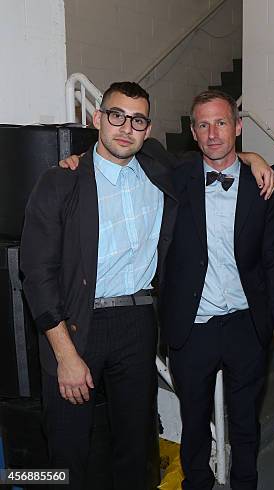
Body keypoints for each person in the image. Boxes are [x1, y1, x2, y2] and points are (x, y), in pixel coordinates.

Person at [21, 81, 178, 489]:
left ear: (148, 130)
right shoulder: (59, 182)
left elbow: (214, 158)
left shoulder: (158, 169)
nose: (126, 127)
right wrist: (66, 356)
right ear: (96, 119)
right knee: (69, 448)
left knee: (134, 445)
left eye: (137, 120)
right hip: (76, 325)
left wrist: (250, 156)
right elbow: (36, 274)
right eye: (116, 115)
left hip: (140, 321)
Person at [160, 89, 274, 490]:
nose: (213, 133)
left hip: (246, 325)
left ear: (238, 127)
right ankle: (196, 483)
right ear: (193, 133)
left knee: (245, 419)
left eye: (221, 122)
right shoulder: (174, 178)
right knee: (193, 422)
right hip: (191, 325)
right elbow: (130, 150)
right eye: (203, 124)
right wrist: (74, 162)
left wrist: (270, 322)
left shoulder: (262, 184)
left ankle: (245, 483)